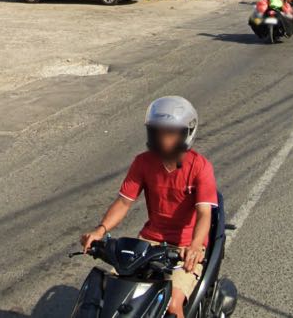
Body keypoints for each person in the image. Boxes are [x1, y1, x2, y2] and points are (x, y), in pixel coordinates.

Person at [80, 97, 218, 318]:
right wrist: (100, 231)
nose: (163, 139)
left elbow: (204, 214)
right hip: (148, 243)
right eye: (158, 132)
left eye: (170, 133)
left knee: (173, 304)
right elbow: (124, 202)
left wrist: (193, 247)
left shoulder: (200, 168)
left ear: (187, 132)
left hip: (183, 249)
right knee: (112, 295)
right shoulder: (143, 163)